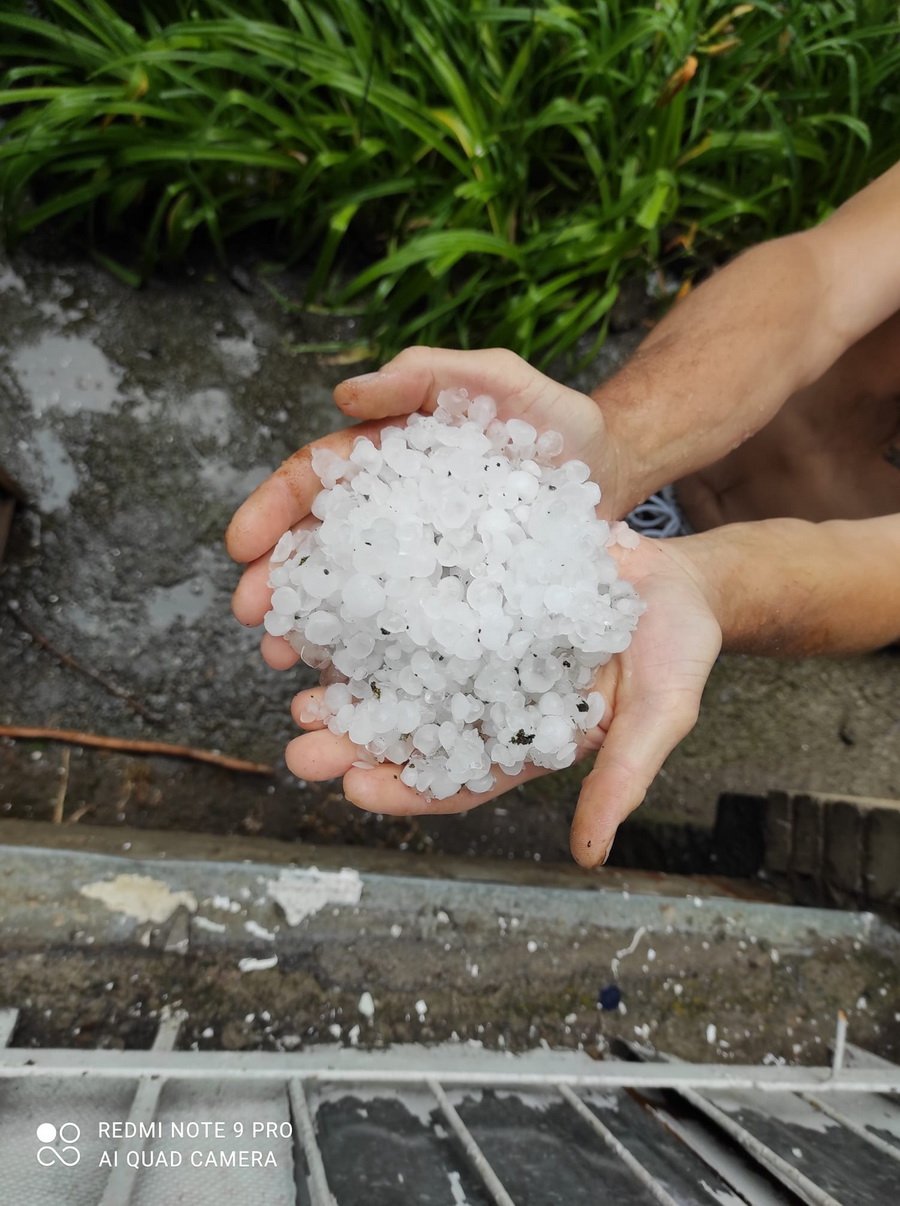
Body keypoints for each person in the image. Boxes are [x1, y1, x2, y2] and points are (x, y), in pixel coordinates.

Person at [226, 162, 900, 869]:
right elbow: (823, 277)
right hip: (635, 476)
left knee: (652, 642)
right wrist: (623, 445)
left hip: (827, 563)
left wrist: (716, 587)